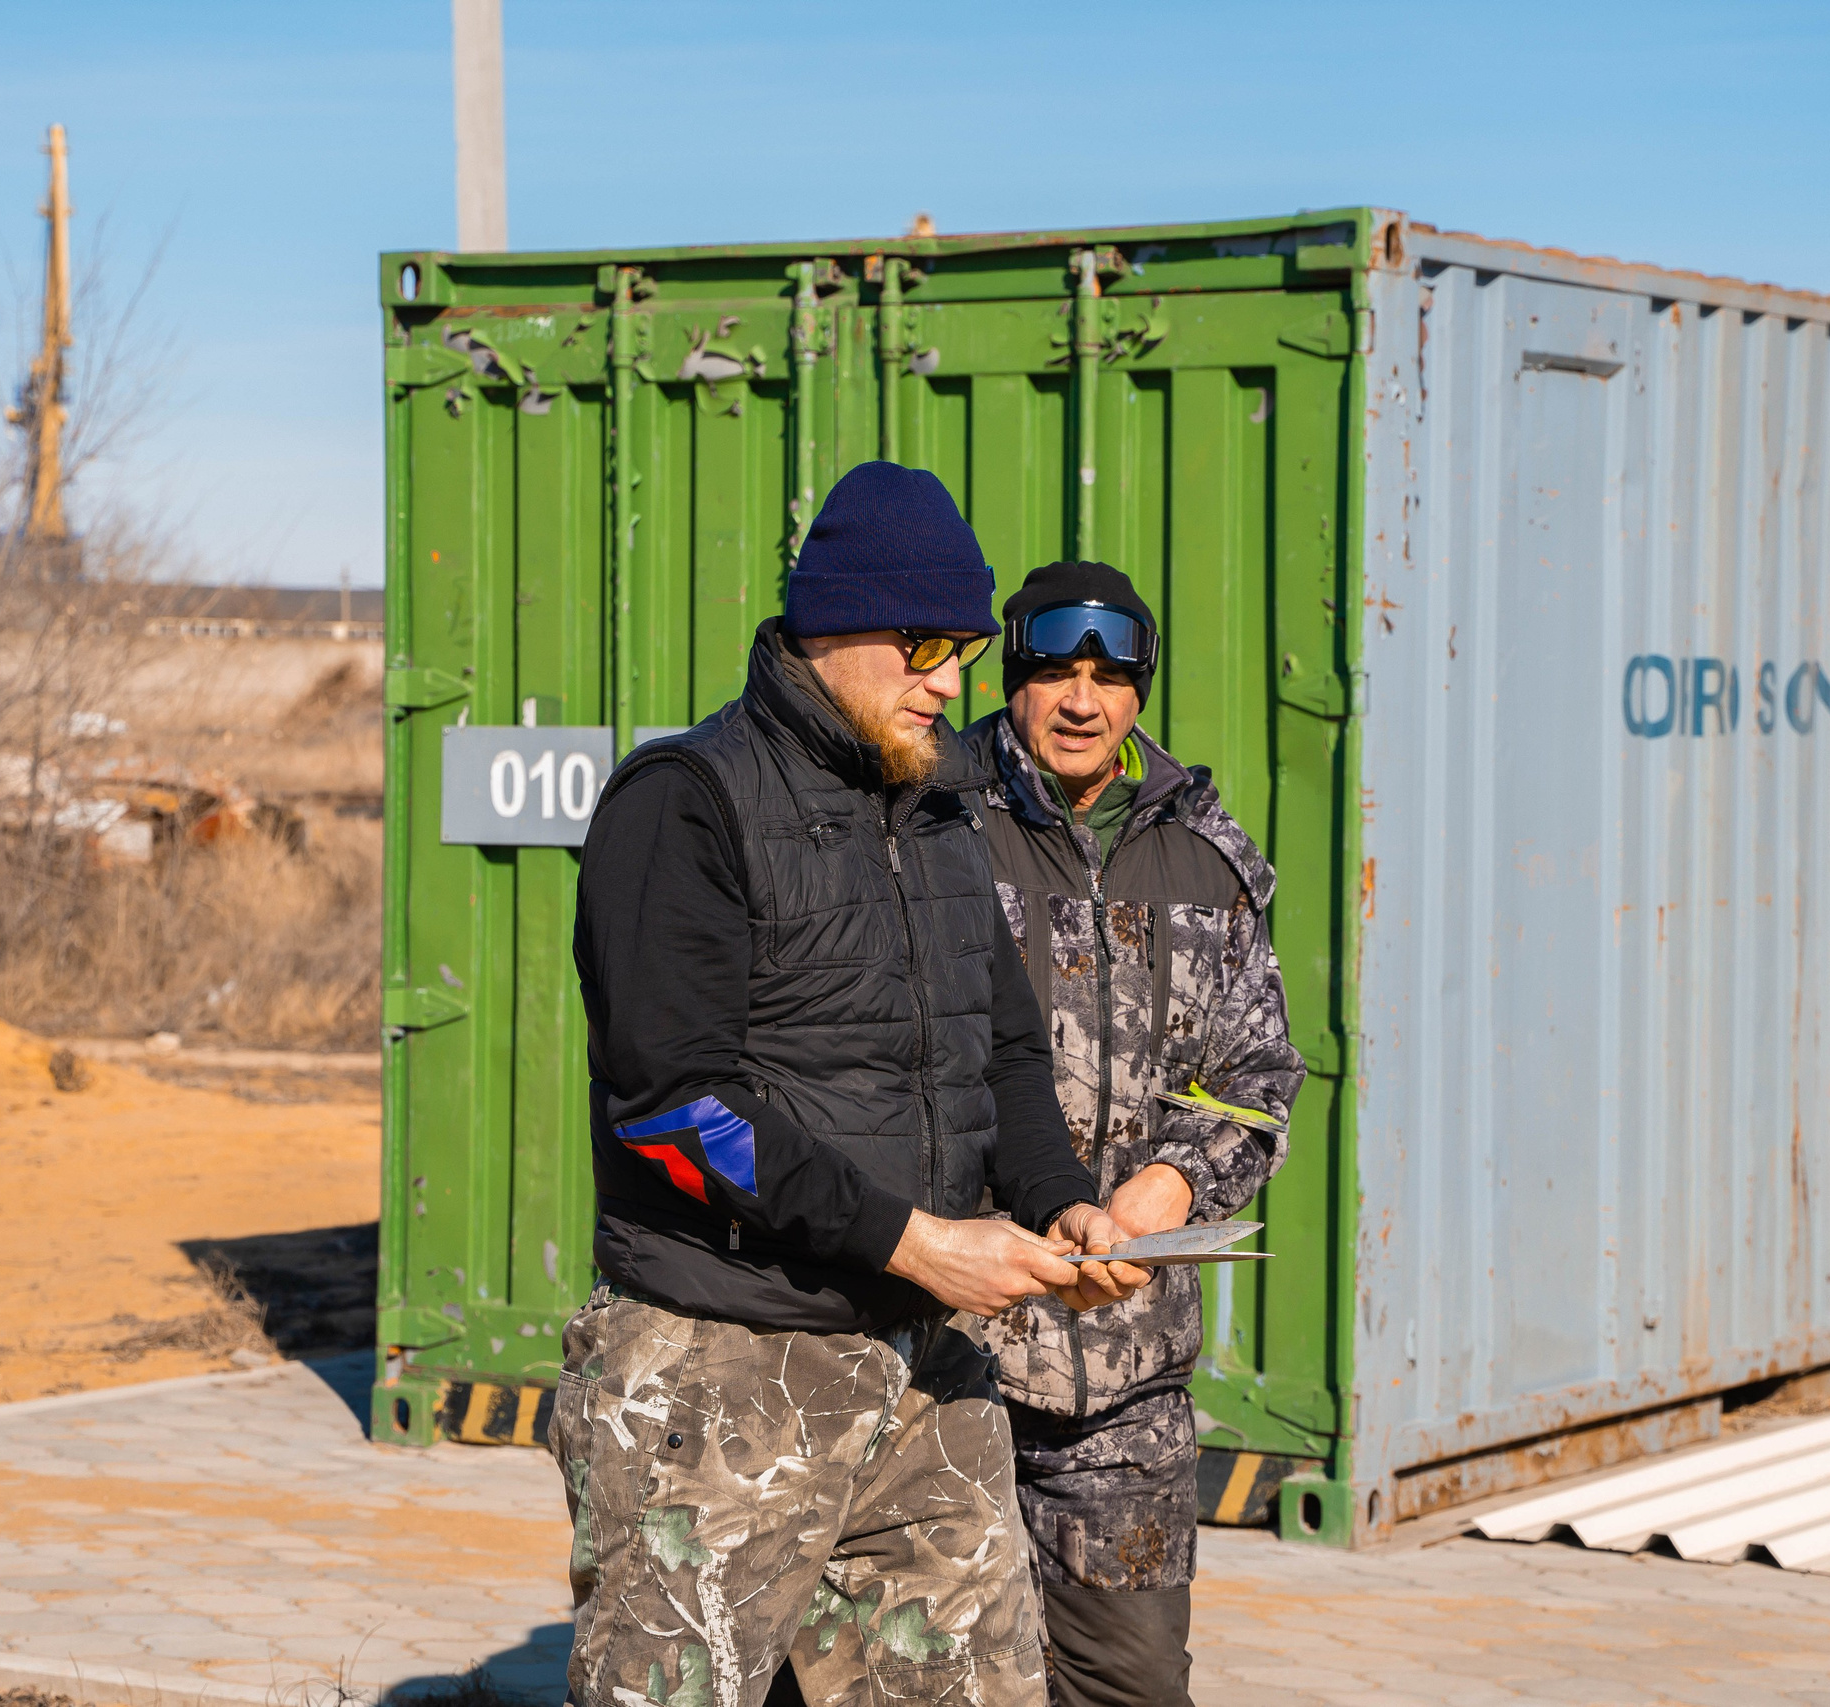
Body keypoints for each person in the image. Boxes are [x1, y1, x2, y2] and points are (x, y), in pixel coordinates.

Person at [552, 464, 1149, 1707]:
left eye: (968, 650)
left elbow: (1002, 1052)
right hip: (719, 1373)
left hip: (921, 1371)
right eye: (926, 645)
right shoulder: (687, 805)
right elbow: (668, 1109)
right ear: (829, 626)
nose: (951, 681)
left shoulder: (936, 812)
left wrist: (1059, 1204)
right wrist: (914, 1239)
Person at [965, 561, 1306, 1707]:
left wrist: (1173, 1180)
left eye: (1110, 677)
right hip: (940, 1363)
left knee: (1133, 1684)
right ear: (1013, 676)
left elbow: (1256, 1080)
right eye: (1056, 670)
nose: (1082, 700)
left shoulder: (1204, 857)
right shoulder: (928, 823)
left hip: (1129, 1388)